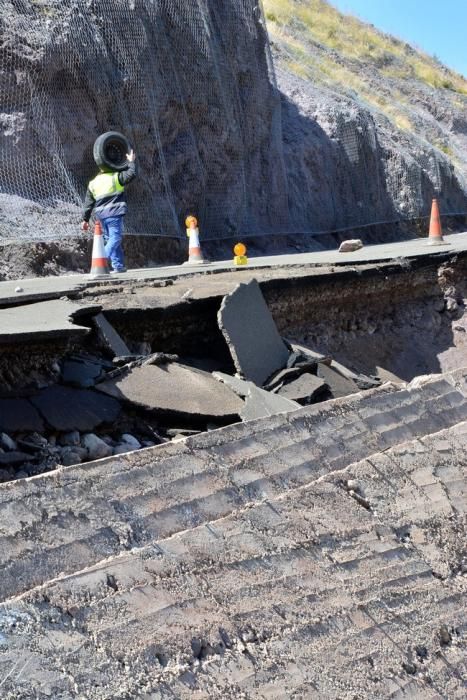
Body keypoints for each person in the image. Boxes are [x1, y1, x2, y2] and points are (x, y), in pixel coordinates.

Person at [81, 149, 136, 273]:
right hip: (114, 213)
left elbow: (88, 203)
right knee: (115, 238)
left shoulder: (93, 183)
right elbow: (131, 174)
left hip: (101, 216)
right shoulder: (116, 177)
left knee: (110, 238)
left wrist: (85, 219)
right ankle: (100, 259)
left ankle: (118, 266)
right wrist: (131, 162)